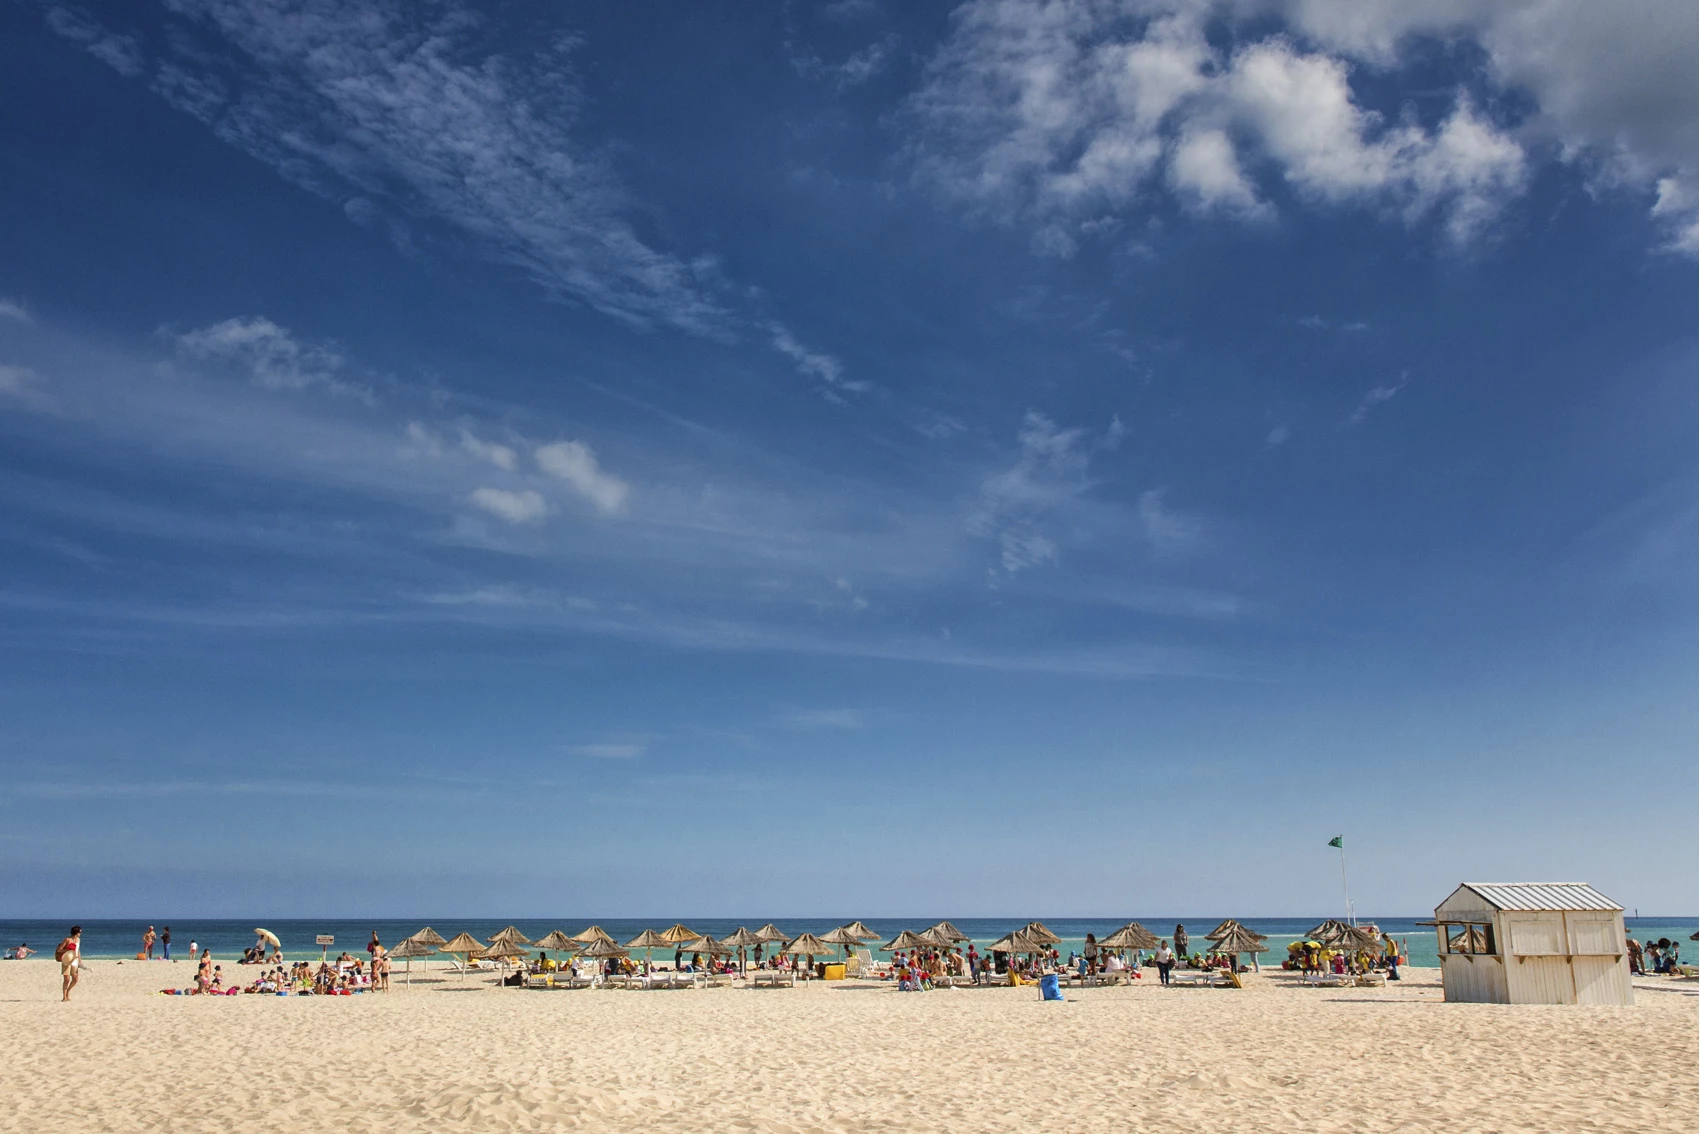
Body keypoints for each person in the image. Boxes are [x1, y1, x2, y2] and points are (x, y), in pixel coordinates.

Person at [56, 926, 82, 1001]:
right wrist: (68, 950)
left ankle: (68, 991)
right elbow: (59, 950)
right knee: (66, 979)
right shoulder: (67, 939)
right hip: (66, 960)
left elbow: (78, 950)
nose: (80, 934)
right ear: (76, 933)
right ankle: (64, 997)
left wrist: (80, 960)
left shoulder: (78, 940)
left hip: (75, 960)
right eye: (80, 932)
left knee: (75, 978)